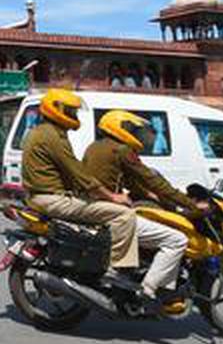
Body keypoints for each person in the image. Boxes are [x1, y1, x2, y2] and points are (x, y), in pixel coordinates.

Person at [84, 110, 208, 309]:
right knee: (176, 239)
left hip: (93, 208)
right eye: (133, 129)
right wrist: (190, 204)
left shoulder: (96, 147)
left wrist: (149, 195)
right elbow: (153, 180)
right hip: (109, 212)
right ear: (119, 128)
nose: (138, 135)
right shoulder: (122, 149)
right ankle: (148, 289)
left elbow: (129, 181)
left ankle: (165, 290)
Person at [20, 88, 139, 276]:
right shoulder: (52, 136)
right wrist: (112, 196)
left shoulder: (39, 132)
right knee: (124, 215)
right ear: (57, 110)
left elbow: (67, 174)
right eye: (71, 111)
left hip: (39, 197)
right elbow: (77, 173)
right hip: (53, 200)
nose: (74, 115)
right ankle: (118, 271)